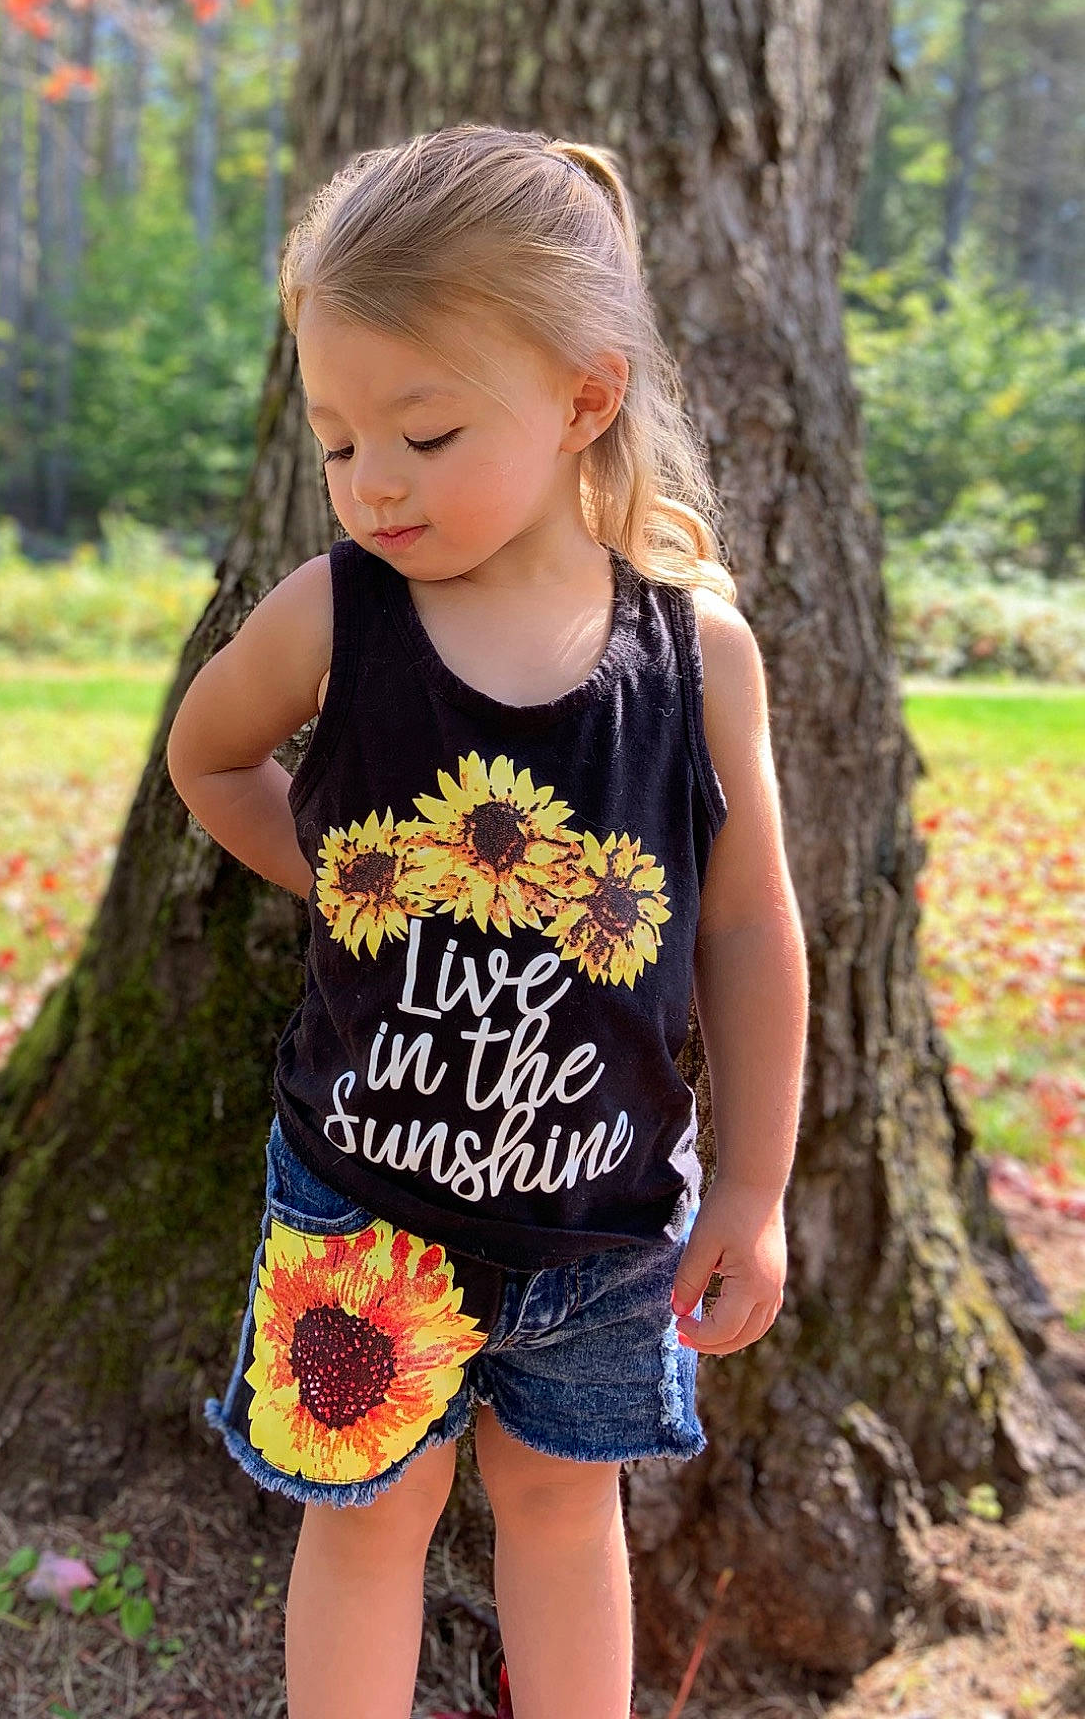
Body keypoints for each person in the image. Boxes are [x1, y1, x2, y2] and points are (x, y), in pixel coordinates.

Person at [166, 123, 808, 1719]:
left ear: (586, 398)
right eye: (337, 442)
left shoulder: (695, 658)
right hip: (363, 1203)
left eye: (428, 432)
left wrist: (753, 1186)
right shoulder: (335, 616)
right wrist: (346, 880)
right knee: (367, 1517)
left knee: (564, 1509)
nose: (372, 483)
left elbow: (744, 929)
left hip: (605, 1219)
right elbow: (210, 758)